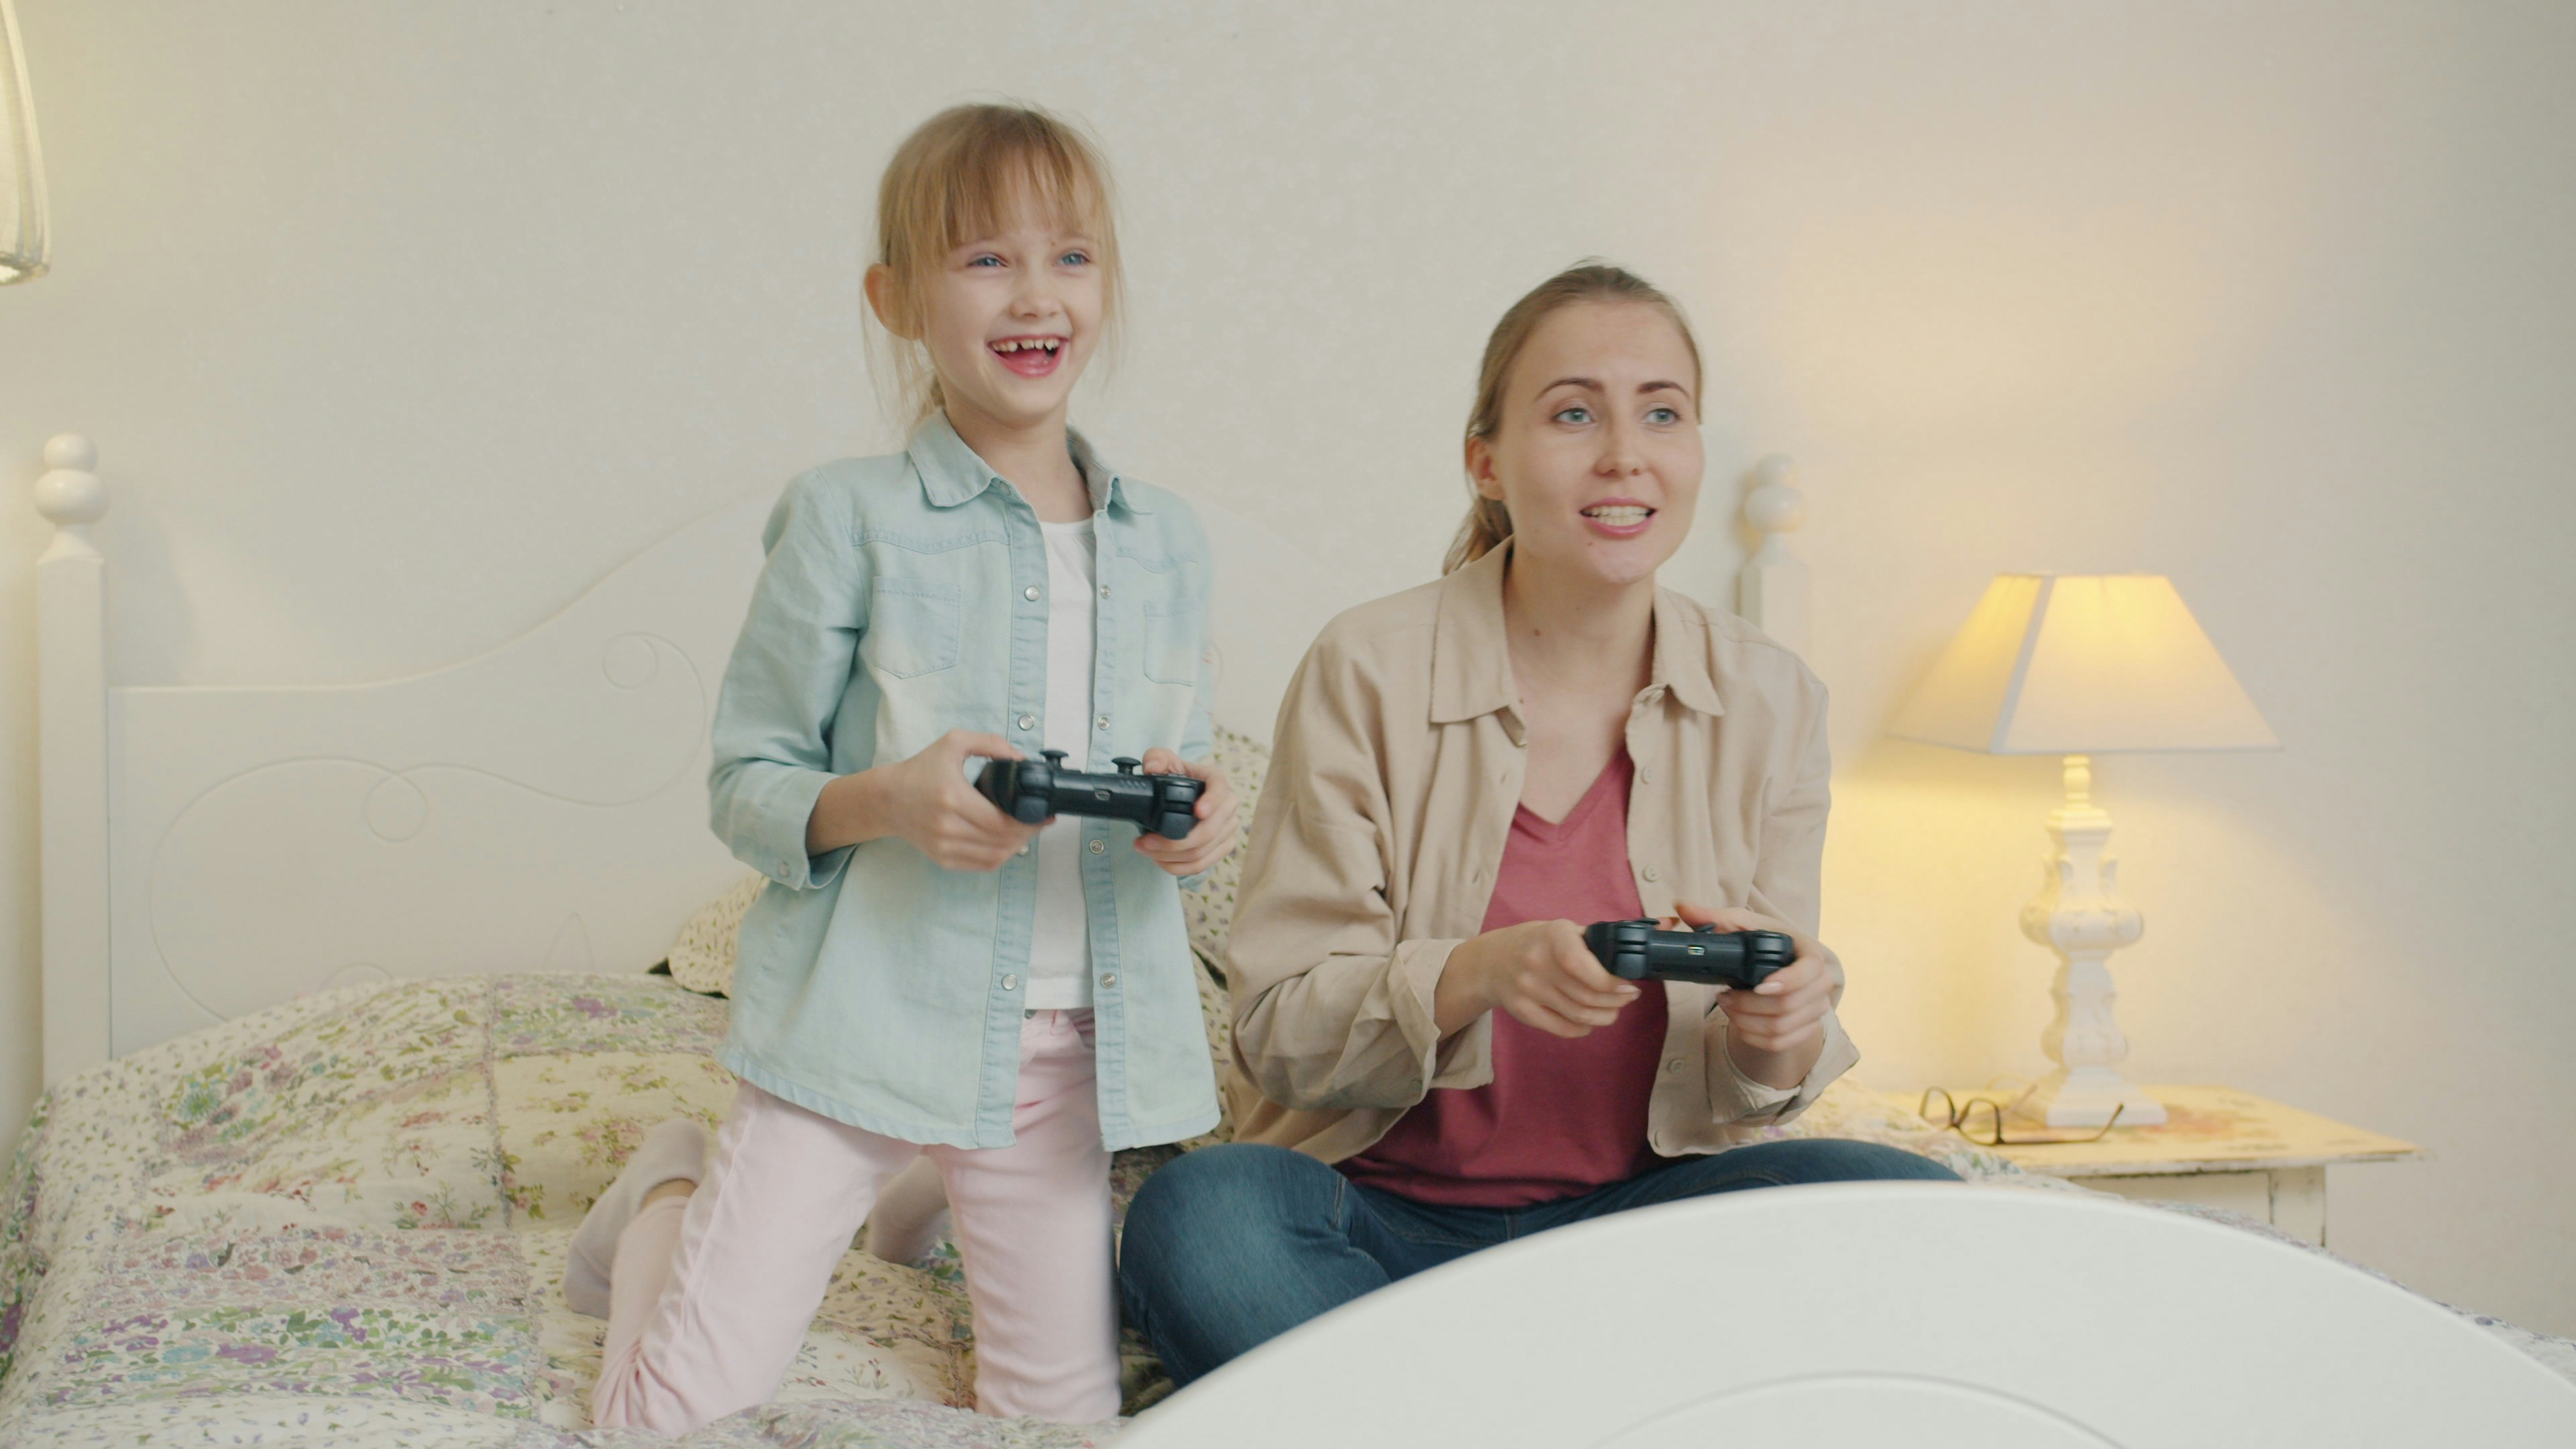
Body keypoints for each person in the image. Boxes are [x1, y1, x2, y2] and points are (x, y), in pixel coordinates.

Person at [1117, 262, 1957, 1386]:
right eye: (1573, 413)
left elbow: (1762, 1063)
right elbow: (1278, 1029)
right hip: (1375, 1216)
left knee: (1917, 1209)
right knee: (1202, 1216)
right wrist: (1475, 975)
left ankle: (1427, 1406)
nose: (1624, 452)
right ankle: (1573, 1399)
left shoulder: (1771, 695)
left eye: (1663, 411)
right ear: (1488, 462)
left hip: (1638, 1228)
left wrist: (1782, 1028)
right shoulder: (1365, 666)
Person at [569, 102, 1237, 1432]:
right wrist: (892, 799)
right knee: (674, 1420)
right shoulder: (846, 518)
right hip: (857, 1030)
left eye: (1071, 258)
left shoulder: (1170, 541)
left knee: (1061, 1425)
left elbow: (1191, 761)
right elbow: (745, 781)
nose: (1035, 293)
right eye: (985, 258)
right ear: (898, 299)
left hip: (1059, 1056)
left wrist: (1193, 814)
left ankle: (929, 1193)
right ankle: (663, 1195)